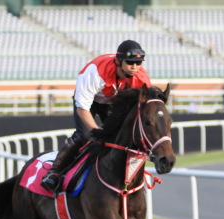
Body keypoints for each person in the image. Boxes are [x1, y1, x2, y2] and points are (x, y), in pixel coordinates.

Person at [41, 40, 151, 191]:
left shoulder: (141, 78)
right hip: (89, 102)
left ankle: (130, 176)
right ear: (118, 61)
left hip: (112, 100)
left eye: (138, 62)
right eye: (130, 62)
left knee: (123, 135)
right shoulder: (95, 72)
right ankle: (54, 172)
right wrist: (96, 131)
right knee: (86, 135)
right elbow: (82, 109)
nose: (135, 67)